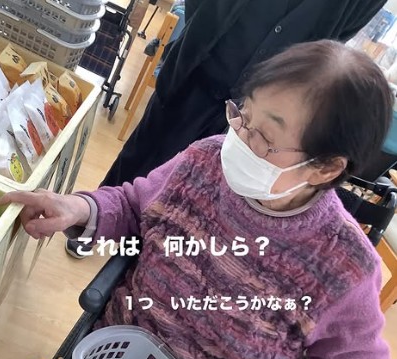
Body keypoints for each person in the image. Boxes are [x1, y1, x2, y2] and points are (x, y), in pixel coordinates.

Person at [0, 40, 394, 359]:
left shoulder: (344, 266)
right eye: (244, 114)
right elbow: (136, 206)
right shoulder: (206, 160)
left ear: (325, 168)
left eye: (265, 138)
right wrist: (80, 208)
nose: (240, 139)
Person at [63, 0, 388, 259]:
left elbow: (340, 31)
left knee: (209, 189)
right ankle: (94, 225)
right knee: (144, 151)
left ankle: (147, 252)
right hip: (199, 68)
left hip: (263, 108)